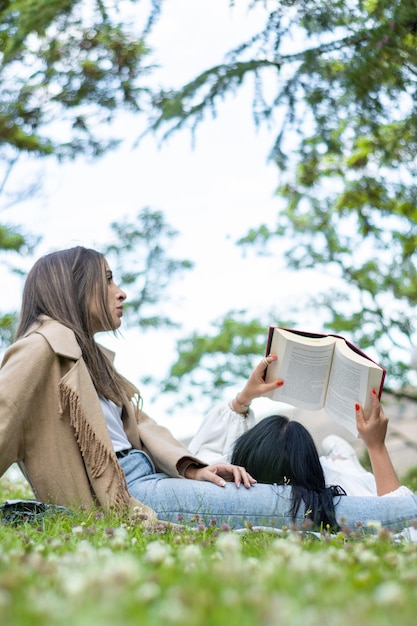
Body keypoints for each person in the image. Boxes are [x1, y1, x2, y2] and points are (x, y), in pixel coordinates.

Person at [1, 246, 416, 532]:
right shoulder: (40, 349)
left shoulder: (88, 359)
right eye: (108, 280)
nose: (121, 291)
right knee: (290, 506)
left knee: (274, 497)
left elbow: (145, 430)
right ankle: (400, 511)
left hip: (148, 477)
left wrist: (194, 467)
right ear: (72, 288)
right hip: (130, 494)